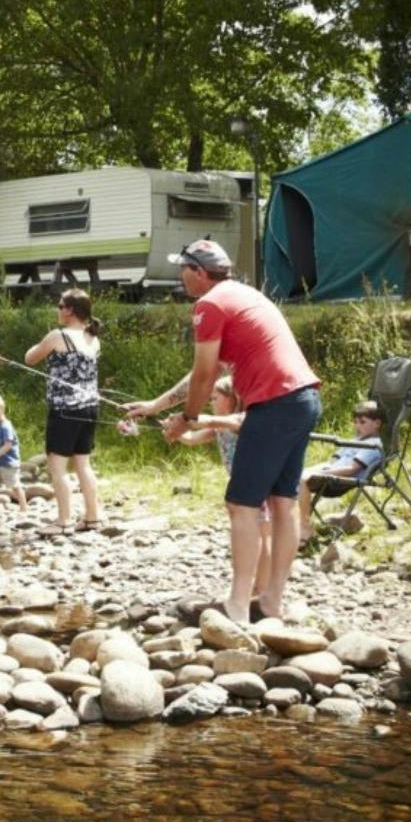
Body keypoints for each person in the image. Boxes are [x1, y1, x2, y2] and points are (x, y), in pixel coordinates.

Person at [126, 239, 321, 625]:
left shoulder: (210, 304)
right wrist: (155, 406)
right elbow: (209, 372)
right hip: (304, 399)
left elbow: (203, 374)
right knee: (282, 502)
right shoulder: (244, 294)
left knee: (241, 505)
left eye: (183, 269)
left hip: (273, 405)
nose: (180, 277)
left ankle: (237, 603)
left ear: (198, 272)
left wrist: (188, 419)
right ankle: (271, 601)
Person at [173, 376, 275, 601]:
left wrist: (199, 419)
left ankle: (261, 588)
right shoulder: (219, 425)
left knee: (264, 534)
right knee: (255, 532)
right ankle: (256, 587)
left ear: (233, 398)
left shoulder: (242, 418)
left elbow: (227, 423)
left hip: (260, 483)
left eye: (215, 398)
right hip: (242, 483)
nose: (211, 401)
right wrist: (176, 430)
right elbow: (191, 438)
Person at [26, 288, 102, 534]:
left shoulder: (58, 336)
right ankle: (92, 518)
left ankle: (63, 521)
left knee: (57, 467)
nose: (58, 310)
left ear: (70, 310)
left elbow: (30, 358)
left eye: (60, 306)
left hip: (64, 411)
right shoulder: (94, 339)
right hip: (90, 408)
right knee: (83, 465)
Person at [297, 400, 384, 545]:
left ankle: (305, 528)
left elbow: (351, 469)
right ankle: (290, 523)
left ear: (377, 423)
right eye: (355, 422)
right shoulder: (354, 440)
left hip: (340, 480)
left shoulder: (374, 445)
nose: (357, 426)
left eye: (362, 422)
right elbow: (333, 461)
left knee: (302, 480)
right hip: (330, 470)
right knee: (289, 477)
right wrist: (321, 468)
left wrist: (326, 472)